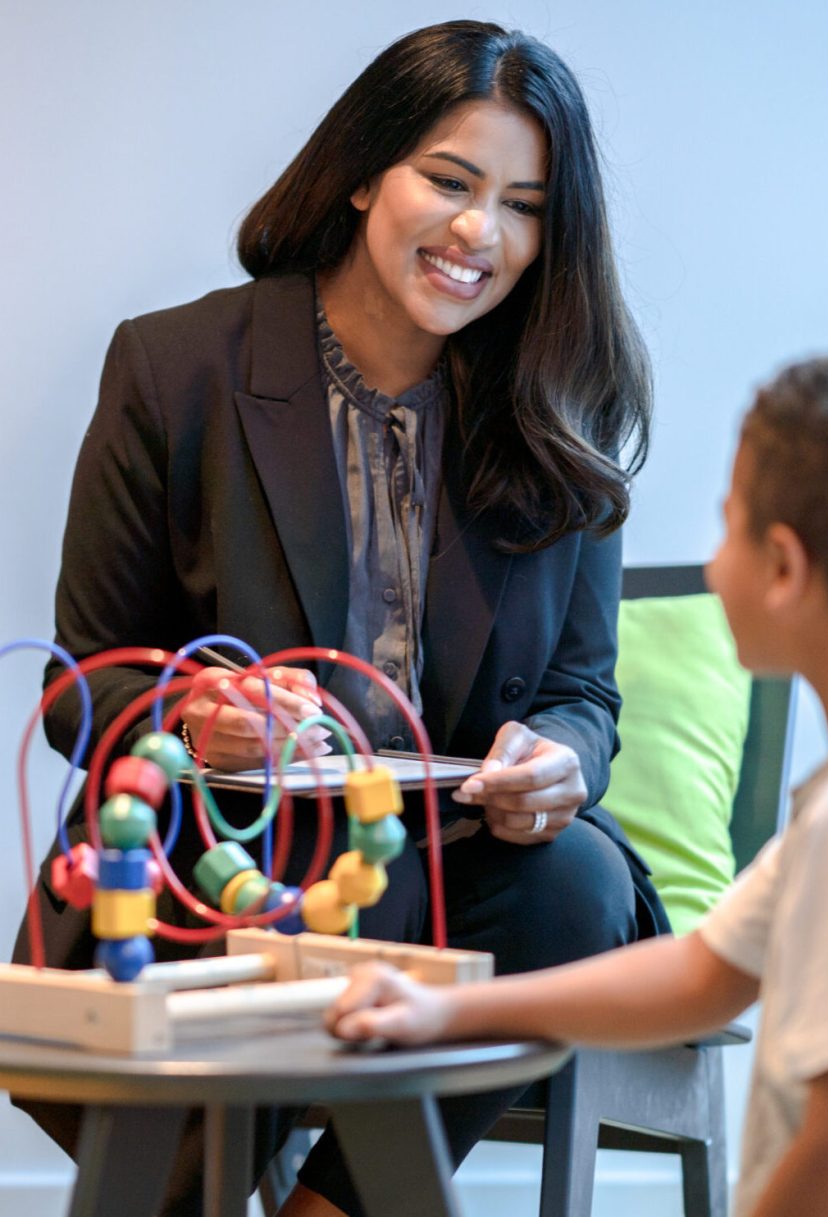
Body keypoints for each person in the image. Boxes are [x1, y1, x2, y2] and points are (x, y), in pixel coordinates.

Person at [12, 18, 670, 1217]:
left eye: (522, 204)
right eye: (449, 180)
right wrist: (193, 717)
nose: (480, 233)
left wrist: (560, 762)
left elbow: (584, 696)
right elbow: (81, 681)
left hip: (463, 863)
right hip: (235, 848)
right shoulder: (177, 369)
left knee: (577, 882)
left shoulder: (556, 413)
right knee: (326, 891)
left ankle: (330, 1207)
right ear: (365, 169)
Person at [329, 351, 828, 1217]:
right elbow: (703, 974)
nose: (713, 567)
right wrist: (444, 1010)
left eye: (728, 528)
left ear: (782, 568)